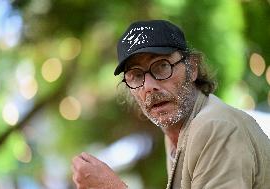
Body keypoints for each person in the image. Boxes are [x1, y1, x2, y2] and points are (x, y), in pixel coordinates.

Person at [72, 20, 270, 189]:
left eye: (161, 66)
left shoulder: (215, 127)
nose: (149, 87)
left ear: (192, 68)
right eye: (136, 75)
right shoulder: (177, 132)